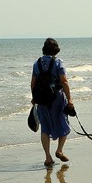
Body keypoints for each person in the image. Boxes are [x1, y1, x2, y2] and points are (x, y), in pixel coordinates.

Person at [31, 37, 73, 166]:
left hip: (42, 99)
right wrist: (70, 99)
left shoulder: (36, 63)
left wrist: (34, 98)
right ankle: (59, 150)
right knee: (63, 122)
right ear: (56, 50)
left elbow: (33, 83)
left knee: (45, 127)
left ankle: (48, 157)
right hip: (57, 98)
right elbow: (64, 81)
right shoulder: (58, 62)